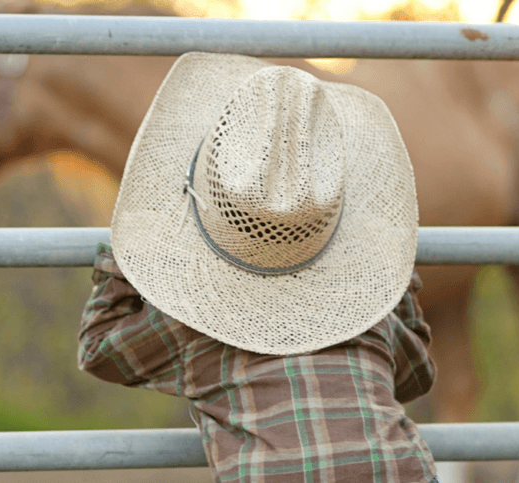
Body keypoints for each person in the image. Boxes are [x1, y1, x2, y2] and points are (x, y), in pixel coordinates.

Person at [78, 52, 439, 483]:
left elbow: (98, 349)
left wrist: (128, 251)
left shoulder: (187, 321)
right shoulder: (371, 322)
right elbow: (417, 373)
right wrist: (393, 278)